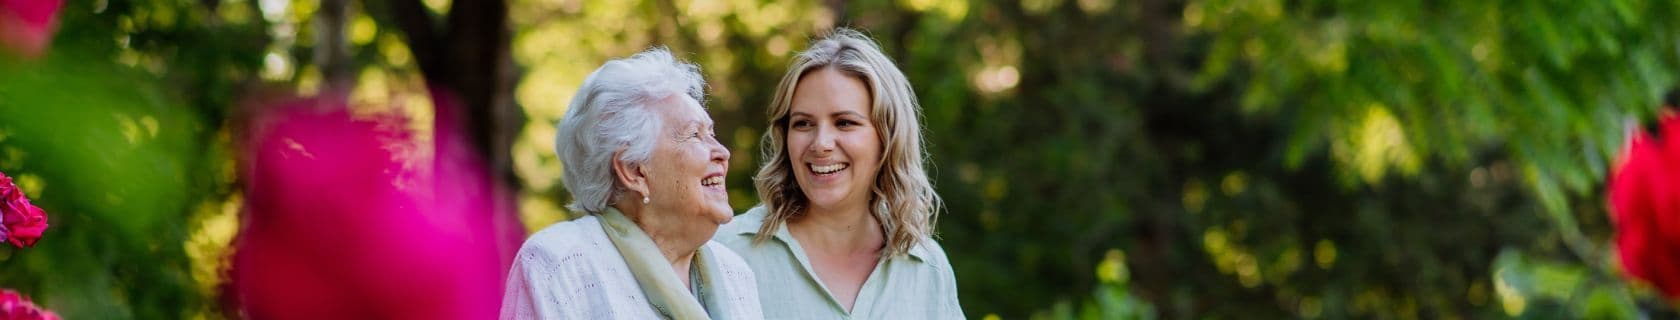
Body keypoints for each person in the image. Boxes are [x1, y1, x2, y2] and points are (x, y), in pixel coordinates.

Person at [715, 28, 963, 319]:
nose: (820, 144)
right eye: (803, 124)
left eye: (844, 123)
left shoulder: (927, 268)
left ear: (887, 137)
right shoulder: (726, 254)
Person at [500, 48, 761, 319]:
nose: (722, 152)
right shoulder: (559, 264)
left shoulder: (736, 274)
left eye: (712, 133)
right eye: (695, 135)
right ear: (634, 171)